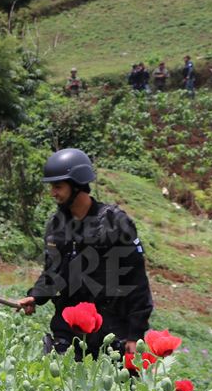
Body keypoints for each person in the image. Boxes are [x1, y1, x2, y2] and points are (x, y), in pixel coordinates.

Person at [15, 148, 154, 362]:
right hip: (68, 329)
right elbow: (53, 272)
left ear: (78, 185)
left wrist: (135, 334)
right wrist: (37, 295)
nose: (53, 193)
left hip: (110, 331)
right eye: (52, 187)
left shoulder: (115, 223)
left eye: (58, 187)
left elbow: (136, 281)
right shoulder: (56, 225)